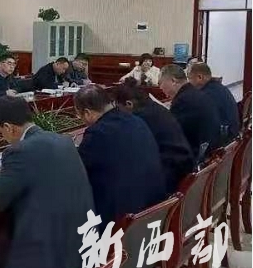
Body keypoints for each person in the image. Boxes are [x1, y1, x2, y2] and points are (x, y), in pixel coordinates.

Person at [0, 96, 94, 268]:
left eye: (1, 130)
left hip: (46, 255)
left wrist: (1, 176)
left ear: (8, 127)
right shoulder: (63, 141)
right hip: (79, 242)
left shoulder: (19, 151)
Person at [74, 85, 166, 227]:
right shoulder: (137, 120)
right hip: (155, 208)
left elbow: (78, 173)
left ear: (87, 113)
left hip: (122, 220)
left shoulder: (96, 134)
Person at [114, 79, 195, 193]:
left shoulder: (140, 118)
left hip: (173, 172)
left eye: (119, 109)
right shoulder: (154, 107)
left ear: (129, 104)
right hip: (183, 163)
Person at [159, 64, 222, 161]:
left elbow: (171, 134)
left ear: (173, 81)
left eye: (160, 83)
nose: (160, 88)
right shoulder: (194, 93)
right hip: (210, 150)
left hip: (199, 158)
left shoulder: (183, 100)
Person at [188, 63, 240, 142]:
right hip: (232, 136)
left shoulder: (206, 95)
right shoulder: (219, 87)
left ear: (199, 77)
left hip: (222, 141)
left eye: (190, 78)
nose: (189, 83)